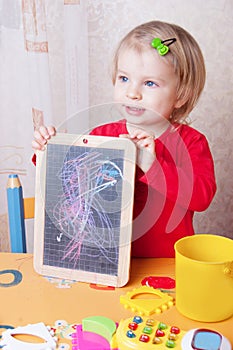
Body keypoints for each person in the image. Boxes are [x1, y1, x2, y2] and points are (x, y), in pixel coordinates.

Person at [32, 20, 216, 257]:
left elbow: (201, 198)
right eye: (124, 78)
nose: (132, 93)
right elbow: (69, 181)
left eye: (149, 83)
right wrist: (46, 151)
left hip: (166, 265)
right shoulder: (102, 135)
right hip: (105, 260)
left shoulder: (191, 142)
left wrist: (151, 165)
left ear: (181, 95)